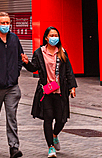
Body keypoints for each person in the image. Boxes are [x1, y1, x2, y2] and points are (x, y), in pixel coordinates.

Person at [0, 12, 36, 158]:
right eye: (3, 23)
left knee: (12, 116)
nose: (5, 25)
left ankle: (14, 147)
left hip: (12, 87)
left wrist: (16, 73)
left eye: (7, 23)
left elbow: (20, 57)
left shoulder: (14, 39)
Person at [28, 27, 78, 157]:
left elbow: (68, 70)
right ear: (46, 37)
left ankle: (55, 134)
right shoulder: (39, 52)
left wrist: (72, 87)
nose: (54, 37)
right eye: (51, 35)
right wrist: (26, 62)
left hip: (60, 91)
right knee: (48, 118)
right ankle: (50, 147)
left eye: (56, 35)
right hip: (46, 91)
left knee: (62, 119)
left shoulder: (61, 52)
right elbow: (34, 67)